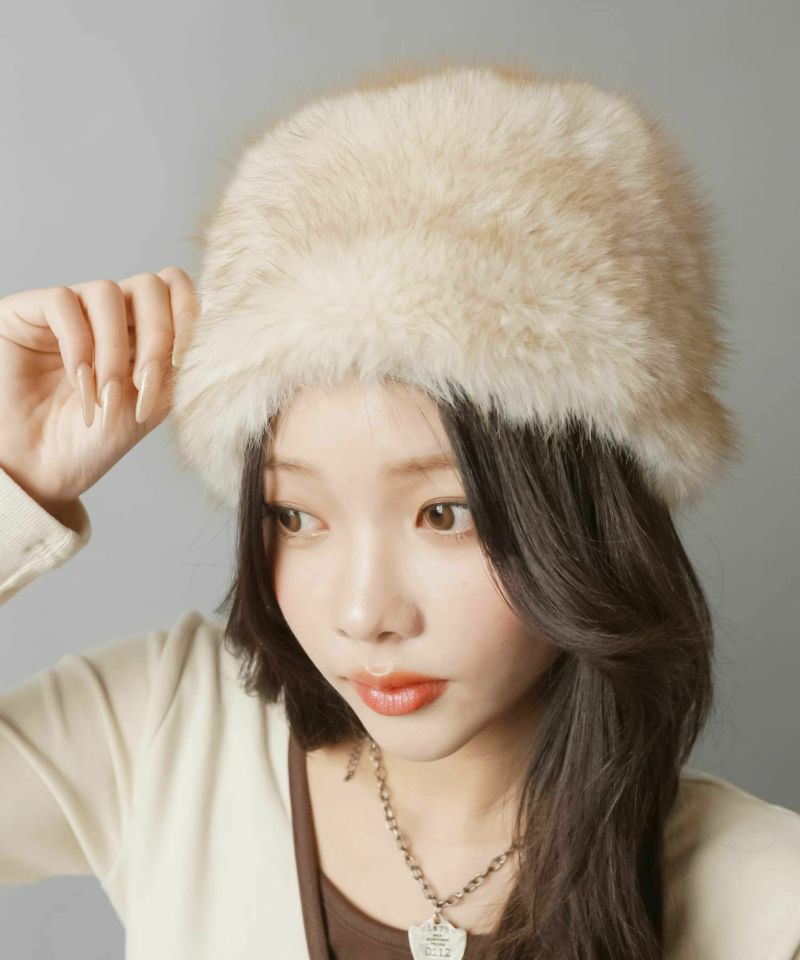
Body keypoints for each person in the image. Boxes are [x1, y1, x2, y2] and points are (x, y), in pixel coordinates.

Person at [2, 60, 799, 960]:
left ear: (584, 516)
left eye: (445, 514)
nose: (362, 615)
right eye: (295, 517)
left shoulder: (769, 903)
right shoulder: (168, 728)